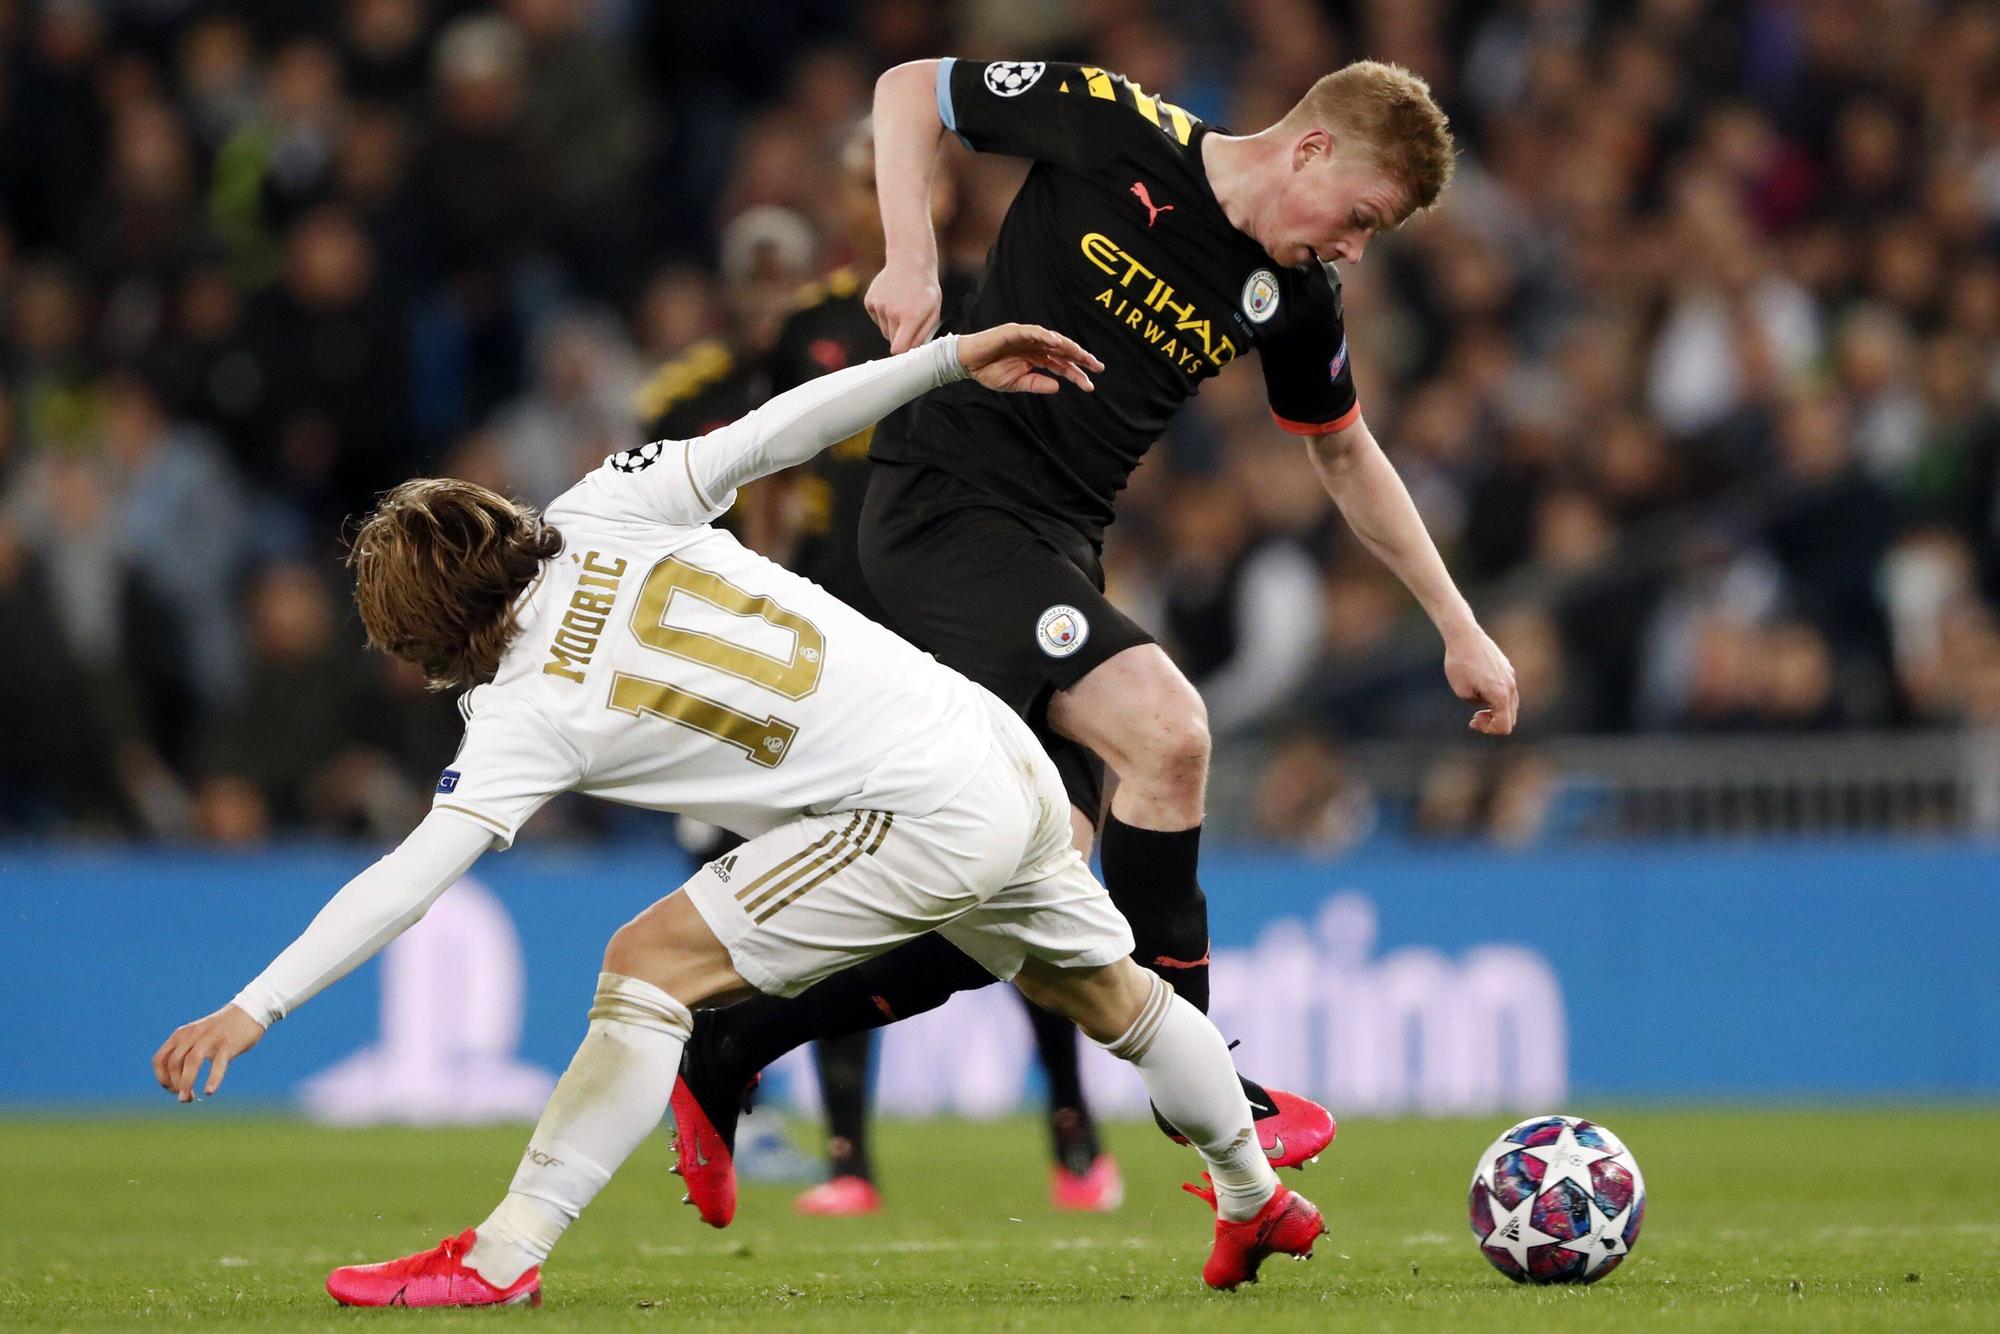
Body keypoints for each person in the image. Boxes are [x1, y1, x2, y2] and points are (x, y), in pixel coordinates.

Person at [150, 323, 1327, 1308]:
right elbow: (784, 428)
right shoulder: (602, 504)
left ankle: (503, 1255)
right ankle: (1253, 1199)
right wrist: (952, 356)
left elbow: (410, 875)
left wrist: (258, 1003)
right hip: (991, 746)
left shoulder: (520, 712)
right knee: (1101, 988)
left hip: (912, 805)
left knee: (644, 963)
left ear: (423, 642)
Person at [669, 57, 1518, 1223]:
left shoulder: (1293, 292)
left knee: (1023, 887)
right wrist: (908, 254)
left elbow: (1341, 447)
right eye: (1360, 218)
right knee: (1166, 731)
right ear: (1310, 150)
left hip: (1056, 548)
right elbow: (912, 88)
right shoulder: (1118, 129)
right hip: (940, 507)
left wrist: (1457, 625)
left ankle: (729, 1047)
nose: (1353, 249)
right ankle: (1197, 1079)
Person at [750, 120, 1120, 1216]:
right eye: (857, 179)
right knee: (836, 877)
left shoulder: (990, 308)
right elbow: (772, 474)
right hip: (839, 640)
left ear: (938, 194)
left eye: (888, 177)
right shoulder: (810, 325)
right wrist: (772, 582)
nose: (871, 197)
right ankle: (849, 1157)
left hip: (963, 626)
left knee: (1018, 869)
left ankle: (1070, 1125)